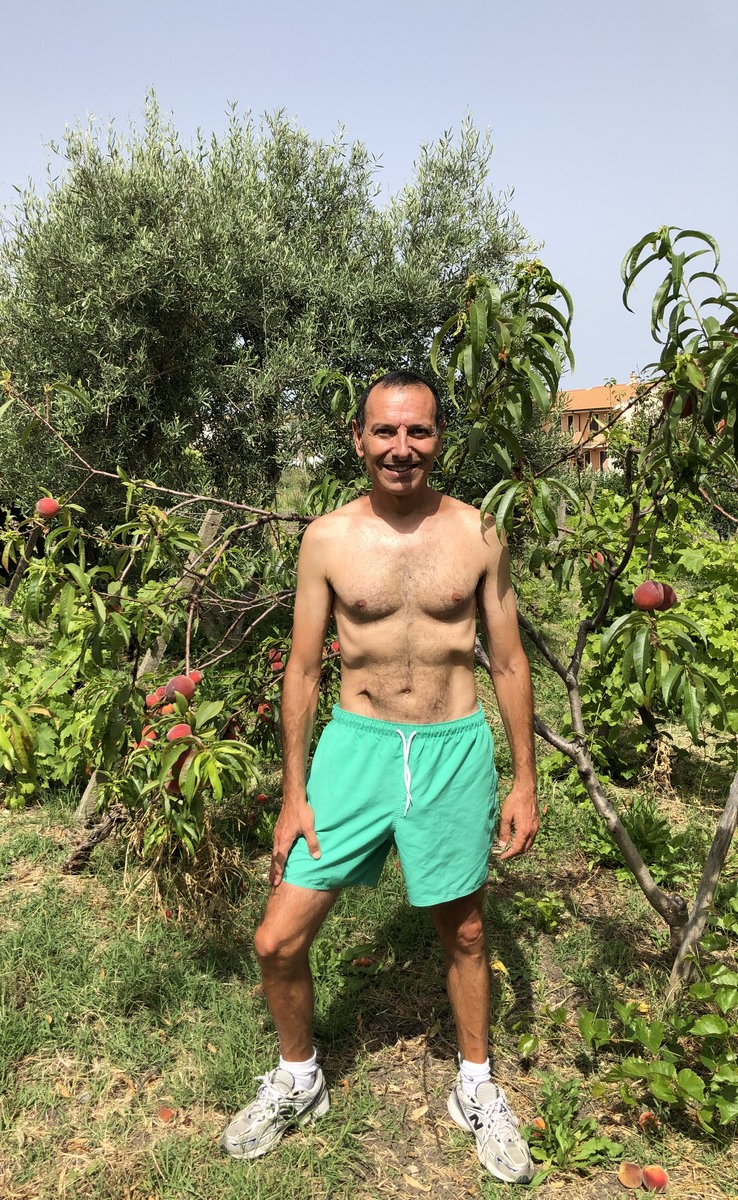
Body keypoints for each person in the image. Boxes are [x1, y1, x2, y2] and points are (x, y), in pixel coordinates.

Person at [220, 370, 540, 1184]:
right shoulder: (327, 538)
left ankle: (476, 1086)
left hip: (451, 749)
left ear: (439, 439)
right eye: (386, 431)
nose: (402, 448)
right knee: (276, 938)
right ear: (359, 438)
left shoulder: (479, 533)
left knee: (465, 933)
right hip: (355, 751)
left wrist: (524, 782)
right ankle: (299, 1078)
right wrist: (293, 795)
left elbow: (508, 661)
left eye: (419, 431)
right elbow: (302, 670)